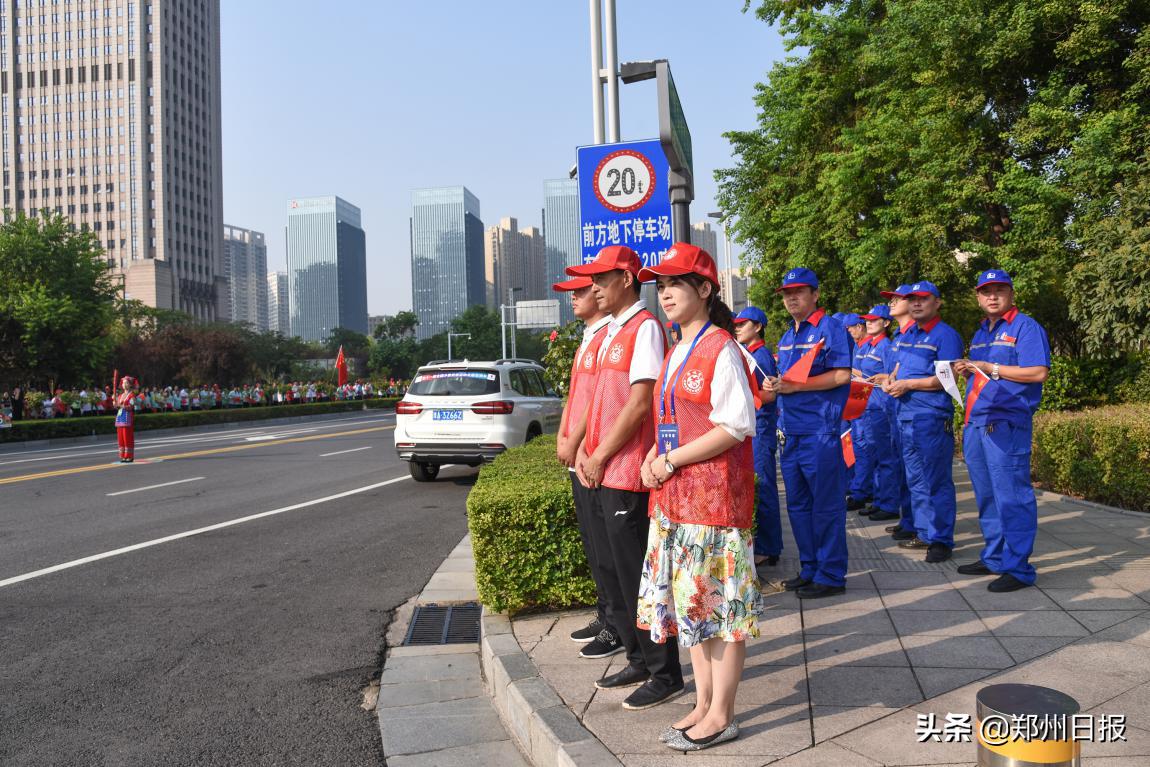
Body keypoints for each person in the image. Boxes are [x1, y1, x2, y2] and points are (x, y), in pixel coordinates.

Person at [635, 243, 761, 751]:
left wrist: (670, 460)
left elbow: (736, 425)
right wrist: (654, 459)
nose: (664, 294)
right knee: (693, 607)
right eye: (660, 286)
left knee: (722, 611)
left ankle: (723, 714)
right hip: (676, 500)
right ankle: (703, 702)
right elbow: (668, 424)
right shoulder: (674, 350)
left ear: (705, 289)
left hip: (713, 504)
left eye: (675, 284)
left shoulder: (722, 348)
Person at [569, 244, 684, 711]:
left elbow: (640, 404)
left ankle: (665, 671)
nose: (594, 286)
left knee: (639, 575)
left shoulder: (644, 328)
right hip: (600, 469)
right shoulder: (611, 332)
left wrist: (600, 454)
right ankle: (637, 657)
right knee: (613, 571)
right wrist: (582, 449)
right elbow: (594, 401)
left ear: (628, 279)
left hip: (624, 471)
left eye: (602, 277)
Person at [953, 270, 1050, 592]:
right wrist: (965, 368)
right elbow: (983, 377)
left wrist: (988, 367)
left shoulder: (1025, 326)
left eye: (999, 290)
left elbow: (1037, 372)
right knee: (987, 497)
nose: (992, 296)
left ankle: (1018, 568)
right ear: (978, 297)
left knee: (1012, 497)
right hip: (977, 422)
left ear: (1011, 293)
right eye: (985, 292)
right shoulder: (982, 331)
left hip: (1006, 424)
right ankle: (994, 557)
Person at [768, 268, 853, 598]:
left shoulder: (830, 328)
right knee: (799, 506)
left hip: (820, 430)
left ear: (815, 294)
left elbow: (841, 376)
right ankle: (810, 567)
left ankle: (831, 574)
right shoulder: (788, 336)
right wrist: (775, 385)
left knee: (826, 506)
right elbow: (787, 382)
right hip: (791, 432)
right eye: (787, 293)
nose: (791, 298)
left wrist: (793, 385)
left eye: (799, 292)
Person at [552, 273, 620, 658]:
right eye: (573, 293)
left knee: (608, 550)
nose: (575, 299)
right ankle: (605, 613)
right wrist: (563, 437)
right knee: (594, 545)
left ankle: (616, 623)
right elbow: (575, 395)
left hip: (596, 456)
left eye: (579, 291)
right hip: (578, 455)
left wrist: (576, 440)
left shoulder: (609, 337)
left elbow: (597, 402)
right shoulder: (588, 340)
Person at [883, 281, 964, 563]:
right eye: (912, 299)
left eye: (923, 299)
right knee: (915, 479)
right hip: (905, 416)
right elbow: (896, 369)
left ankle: (941, 539)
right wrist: (891, 380)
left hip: (930, 417)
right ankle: (925, 531)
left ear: (937, 302)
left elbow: (947, 379)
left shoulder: (945, 335)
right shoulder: (908, 335)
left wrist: (908, 384)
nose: (916, 303)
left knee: (936, 480)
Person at [733, 305, 782, 567]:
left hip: (761, 427)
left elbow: (769, 394)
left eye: (744, 324)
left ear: (758, 327)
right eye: (736, 324)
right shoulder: (749, 353)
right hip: (754, 427)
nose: (738, 327)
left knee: (763, 486)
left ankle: (768, 546)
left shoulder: (760, 356)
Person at [855, 305, 903, 523]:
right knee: (874, 455)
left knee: (886, 457)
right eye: (867, 319)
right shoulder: (870, 346)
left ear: (886, 323)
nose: (869, 323)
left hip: (882, 406)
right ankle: (880, 499)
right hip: (868, 406)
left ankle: (889, 502)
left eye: (875, 320)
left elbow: (894, 374)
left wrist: (884, 376)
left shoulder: (886, 345)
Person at [874, 285, 915, 531]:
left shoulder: (915, 336)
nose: (892, 303)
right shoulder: (900, 337)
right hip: (894, 408)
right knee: (900, 466)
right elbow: (895, 371)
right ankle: (908, 520)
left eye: (898, 299)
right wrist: (887, 378)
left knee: (916, 474)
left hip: (914, 412)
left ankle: (925, 529)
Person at [841, 313, 873, 512]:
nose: (850, 331)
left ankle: (866, 491)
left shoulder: (880, 346)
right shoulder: (860, 346)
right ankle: (861, 489)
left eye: (852, 327)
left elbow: (879, 376)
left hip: (873, 405)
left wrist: (851, 372)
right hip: (859, 404)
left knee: (871, 452)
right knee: (860, 449)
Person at [115, 376, 137, 463]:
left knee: (127, 437)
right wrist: (115, 404)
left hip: (127, 418)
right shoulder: (120, 395)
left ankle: (129, 456)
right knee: (121, 438)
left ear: (130, 384)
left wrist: (121, 406)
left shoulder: (131, 395)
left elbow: (131, 407)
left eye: (126, 383)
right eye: (124, 383)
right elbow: (118, 407)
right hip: (120, 418)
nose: (125, 384)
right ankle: (123, 456)